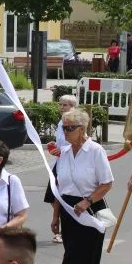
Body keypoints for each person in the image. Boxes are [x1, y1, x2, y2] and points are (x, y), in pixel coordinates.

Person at [51, 108, 113, 264]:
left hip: (89, 209)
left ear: (82, 128)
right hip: (68, 209)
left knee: (73, 259)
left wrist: (87, 201)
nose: (65, 132)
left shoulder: (95, 151)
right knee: (77, 260)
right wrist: (55, 215)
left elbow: (107, 183)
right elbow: (59, 187)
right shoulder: (65, 153)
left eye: (69, 128)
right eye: (63, 127)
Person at [45, 95, 79, 244]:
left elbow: (75, 143)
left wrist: (62, 149)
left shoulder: (74, 122)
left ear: (73, 107)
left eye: (65, 105)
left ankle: (62, 229)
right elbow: (62, 141)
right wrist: (55, 144)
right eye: (61, 105)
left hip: (68, 163)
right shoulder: (61, 122)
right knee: (52, 196)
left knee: (59, 196)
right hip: (59, 163)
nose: (62, 108)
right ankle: (61, 224)